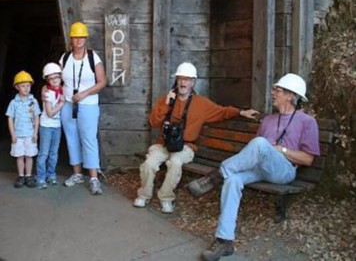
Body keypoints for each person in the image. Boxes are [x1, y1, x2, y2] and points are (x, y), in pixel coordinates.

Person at [187, 73, 319, 261]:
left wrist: (279, 149)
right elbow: (254, 153)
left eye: (278, 90)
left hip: (284, 171)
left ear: (291, 95)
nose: (273, 93)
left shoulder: (307, 122)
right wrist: (264, 149)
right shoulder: (268, 120)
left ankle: (215, 176)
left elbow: (308, 159)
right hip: (260, 169)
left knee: (259, 143)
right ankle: (224, 241)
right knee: (233, 180)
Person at [133, 62, 258, 213]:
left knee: (175, 162)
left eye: (187, 79)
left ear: (193, 82)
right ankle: (144, 195)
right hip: (164, 144)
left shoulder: (201, 103)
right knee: (149, 163)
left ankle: (166, 198)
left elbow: (222, 111)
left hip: (186, 146)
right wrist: (167, 104)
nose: (183, 82)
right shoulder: (165, 100)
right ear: (176, 81)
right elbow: (153, 122)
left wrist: (240, 112)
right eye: (180, 79)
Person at [59, 21, 107, 195]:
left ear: (85, 39)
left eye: (81, 37)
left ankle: (94, 178)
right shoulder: (64, 58)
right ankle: (77, 174)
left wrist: (84, 93)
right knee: (71, 138)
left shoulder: (93, 57)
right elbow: (57, 80)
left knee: (88, 139)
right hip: (68, 104)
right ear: (71, 39)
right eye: (75, 37)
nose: (78, 40)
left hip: (87, 104)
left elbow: (102, 82)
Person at [6, 70, 41, 188]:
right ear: (17, 87)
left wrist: (35, 133)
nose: (26, 88)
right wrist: (13, 134)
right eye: (23, 86)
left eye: (28, 86)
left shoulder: (33, 101)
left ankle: (29, 175)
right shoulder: (13, 103)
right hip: (18, 135)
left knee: (29, 156)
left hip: (30, 134)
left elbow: (37, 117)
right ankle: (21, 175)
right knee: (19, 156)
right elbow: (10, 118)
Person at [36, 63, 65, 189]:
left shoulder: (61, 89)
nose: (55, 80)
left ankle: (51, 175)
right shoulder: (47, 93)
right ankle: (40, 177)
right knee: (44, 153)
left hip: (57, 126)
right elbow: (50, 113)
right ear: (47, 80)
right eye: (51, 78)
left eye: (57, 77)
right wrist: (61, 103)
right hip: (46, 125)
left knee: (54, 152)